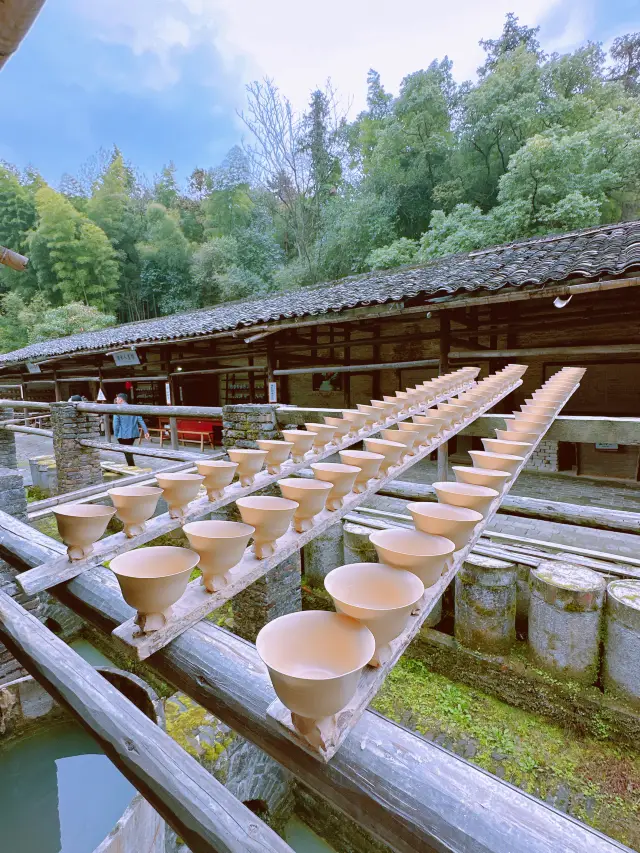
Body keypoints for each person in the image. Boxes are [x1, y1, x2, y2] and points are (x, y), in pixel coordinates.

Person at [113, 392, 149, 467]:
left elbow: (115, 424)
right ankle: (131, 465)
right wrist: (146, 431)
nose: (116, 401)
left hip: (122, 434)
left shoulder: (117, 409)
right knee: (128, 450)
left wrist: (116, 434)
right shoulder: (134, 408)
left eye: (117, 400)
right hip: (133, 433)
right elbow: (140, 420)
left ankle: (131, 466)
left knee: (126, 451)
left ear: (120, 400)